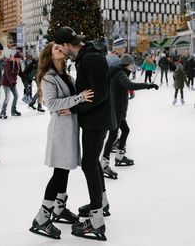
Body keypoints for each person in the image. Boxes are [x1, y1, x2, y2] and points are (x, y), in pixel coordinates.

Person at [54, 26, 116, 241]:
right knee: (93, 163)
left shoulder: (90, 58)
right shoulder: (85, 56)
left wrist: (73, 107)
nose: (62, 52)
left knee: (89, 165)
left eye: (61, 48)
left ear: (66, 45)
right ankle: (101, 204)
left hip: (96, 121)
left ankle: (96, 222)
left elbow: (99, 94)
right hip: (93, 120)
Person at [29, 42, 94, 239]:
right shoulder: (48, 77)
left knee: (64, 170)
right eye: (56, 49)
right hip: (61, 131)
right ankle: (42, 217)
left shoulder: (65, 75)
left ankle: (59, 208)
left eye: (61, 48)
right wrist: (79, 98)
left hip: (70, 128)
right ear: (50, 55)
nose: (61, 50)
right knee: (59, 172)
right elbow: (52, 104)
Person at [101, 54, 159, 177]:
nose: (133, 66)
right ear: (127, 64)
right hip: (116, 110)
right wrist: (148, 85)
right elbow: (130, 85)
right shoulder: (120, 74)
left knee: (125, 130)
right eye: (132, 64)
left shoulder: (120, 72)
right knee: (112, 136)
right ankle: (104, 165)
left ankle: (120, 157)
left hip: (118, 110)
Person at [0, 51, 24, 118]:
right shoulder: (9, 63)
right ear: (15, 58)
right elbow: (8, 74)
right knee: (7, 98)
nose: (19, 60)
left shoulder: (18, 64)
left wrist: (27, 78)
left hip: (12, 83)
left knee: (16, 96)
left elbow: (20, 73)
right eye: (19, 58)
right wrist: (12, 82)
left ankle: (13, 111)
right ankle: (2, 113)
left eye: (20, 59)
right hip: (6, 83)